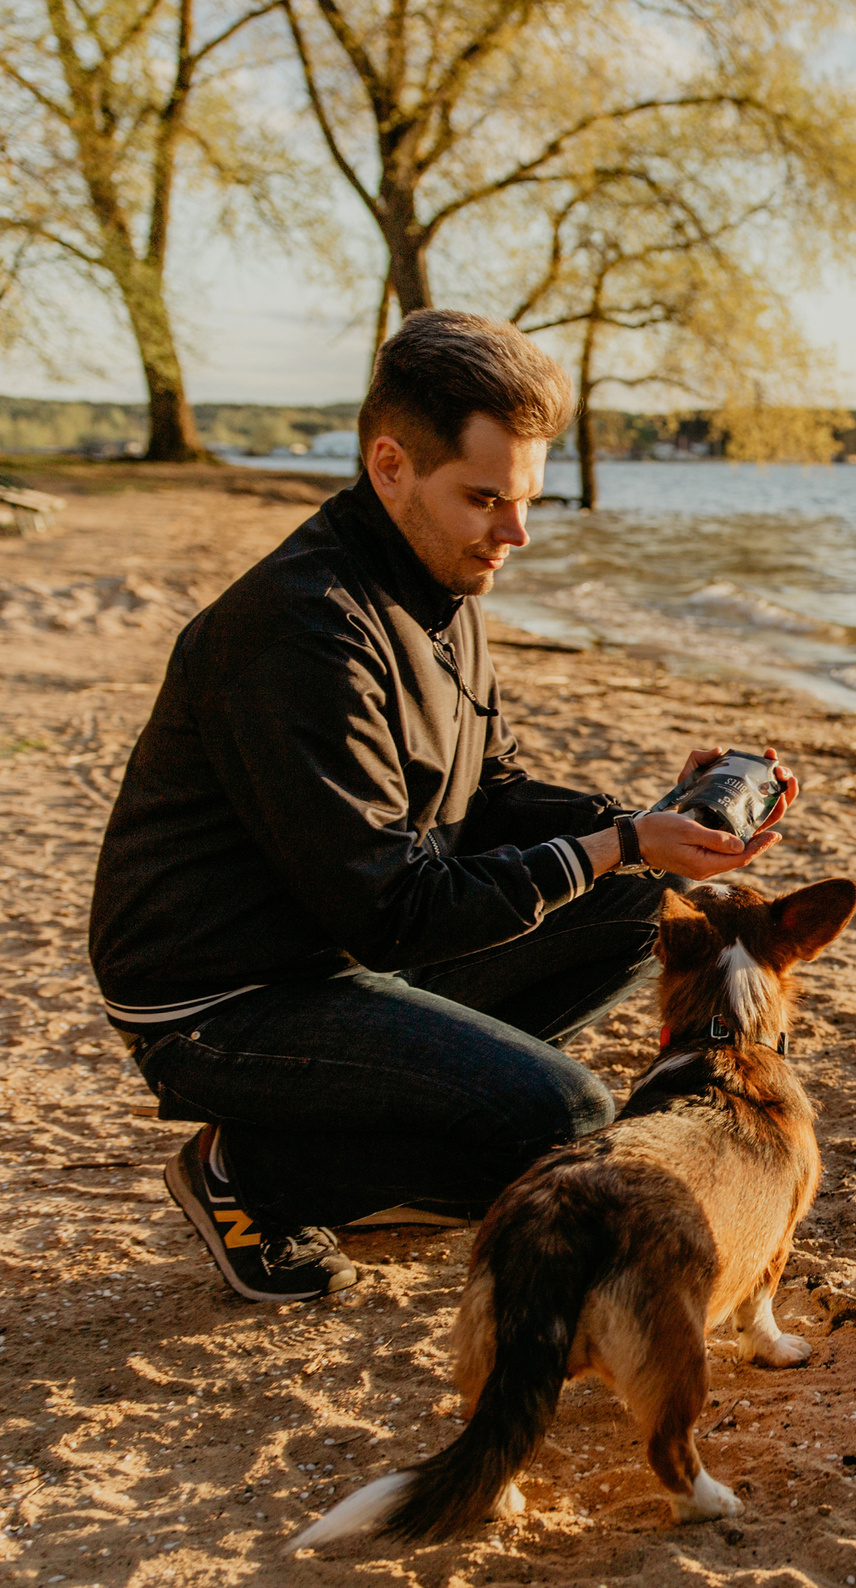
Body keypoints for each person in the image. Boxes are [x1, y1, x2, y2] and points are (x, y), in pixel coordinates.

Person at [90, 309, 799, 1305]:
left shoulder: (439, 583)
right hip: (219, 998)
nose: (514, 534)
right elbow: (392, 908)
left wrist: (652, 823)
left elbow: (492, 792)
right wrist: (614, 842)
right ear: (390, 467)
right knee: (562, 1123)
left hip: (340, 947)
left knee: (644, 904)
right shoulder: (302, 632)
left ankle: (399, 1127)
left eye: (528, 502)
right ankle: (246, 1172)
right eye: (485, 500)